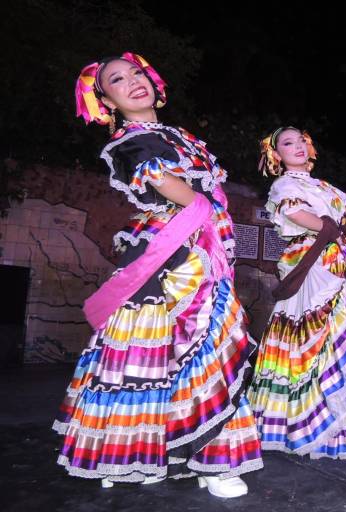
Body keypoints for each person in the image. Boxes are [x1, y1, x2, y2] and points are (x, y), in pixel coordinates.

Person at [56, 53, 261, 498]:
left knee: (207, 350)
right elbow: (174, 189)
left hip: (202, 246)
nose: (133, 81)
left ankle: (211, 459)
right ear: (106, 101)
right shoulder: (130, 142)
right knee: (150, 354)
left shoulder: (177, 136)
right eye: (117, 80)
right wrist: (207, 212)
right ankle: (129, 455)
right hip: (170, 251)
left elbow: (205, 193)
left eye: (137, 73)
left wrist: (214, 222)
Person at [247, 127, 346, 460]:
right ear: (276, 155)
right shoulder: (284, 184)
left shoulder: (326, 187)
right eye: (288, 143)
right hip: (311, 262)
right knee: (312, 334)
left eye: (301, 141)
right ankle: (308, 422)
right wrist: (333, 228)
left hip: (343, 260)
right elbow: (296, 214)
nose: (298, 146)